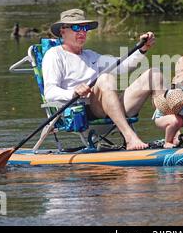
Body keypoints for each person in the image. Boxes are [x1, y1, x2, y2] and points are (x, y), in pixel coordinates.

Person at [42, 9, 164, 150]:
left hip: (110, 108)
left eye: (85, 28)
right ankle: (130, 138)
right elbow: (49, 92)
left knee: (154, 74)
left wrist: (142, 48)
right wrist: (73, 93)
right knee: (105, 78)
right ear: (63, 31)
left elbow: (123, 66)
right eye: (76, 27)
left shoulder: (91, 55)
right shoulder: (54, 55)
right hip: (82, 113)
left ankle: (171, 135)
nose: (82, 32)